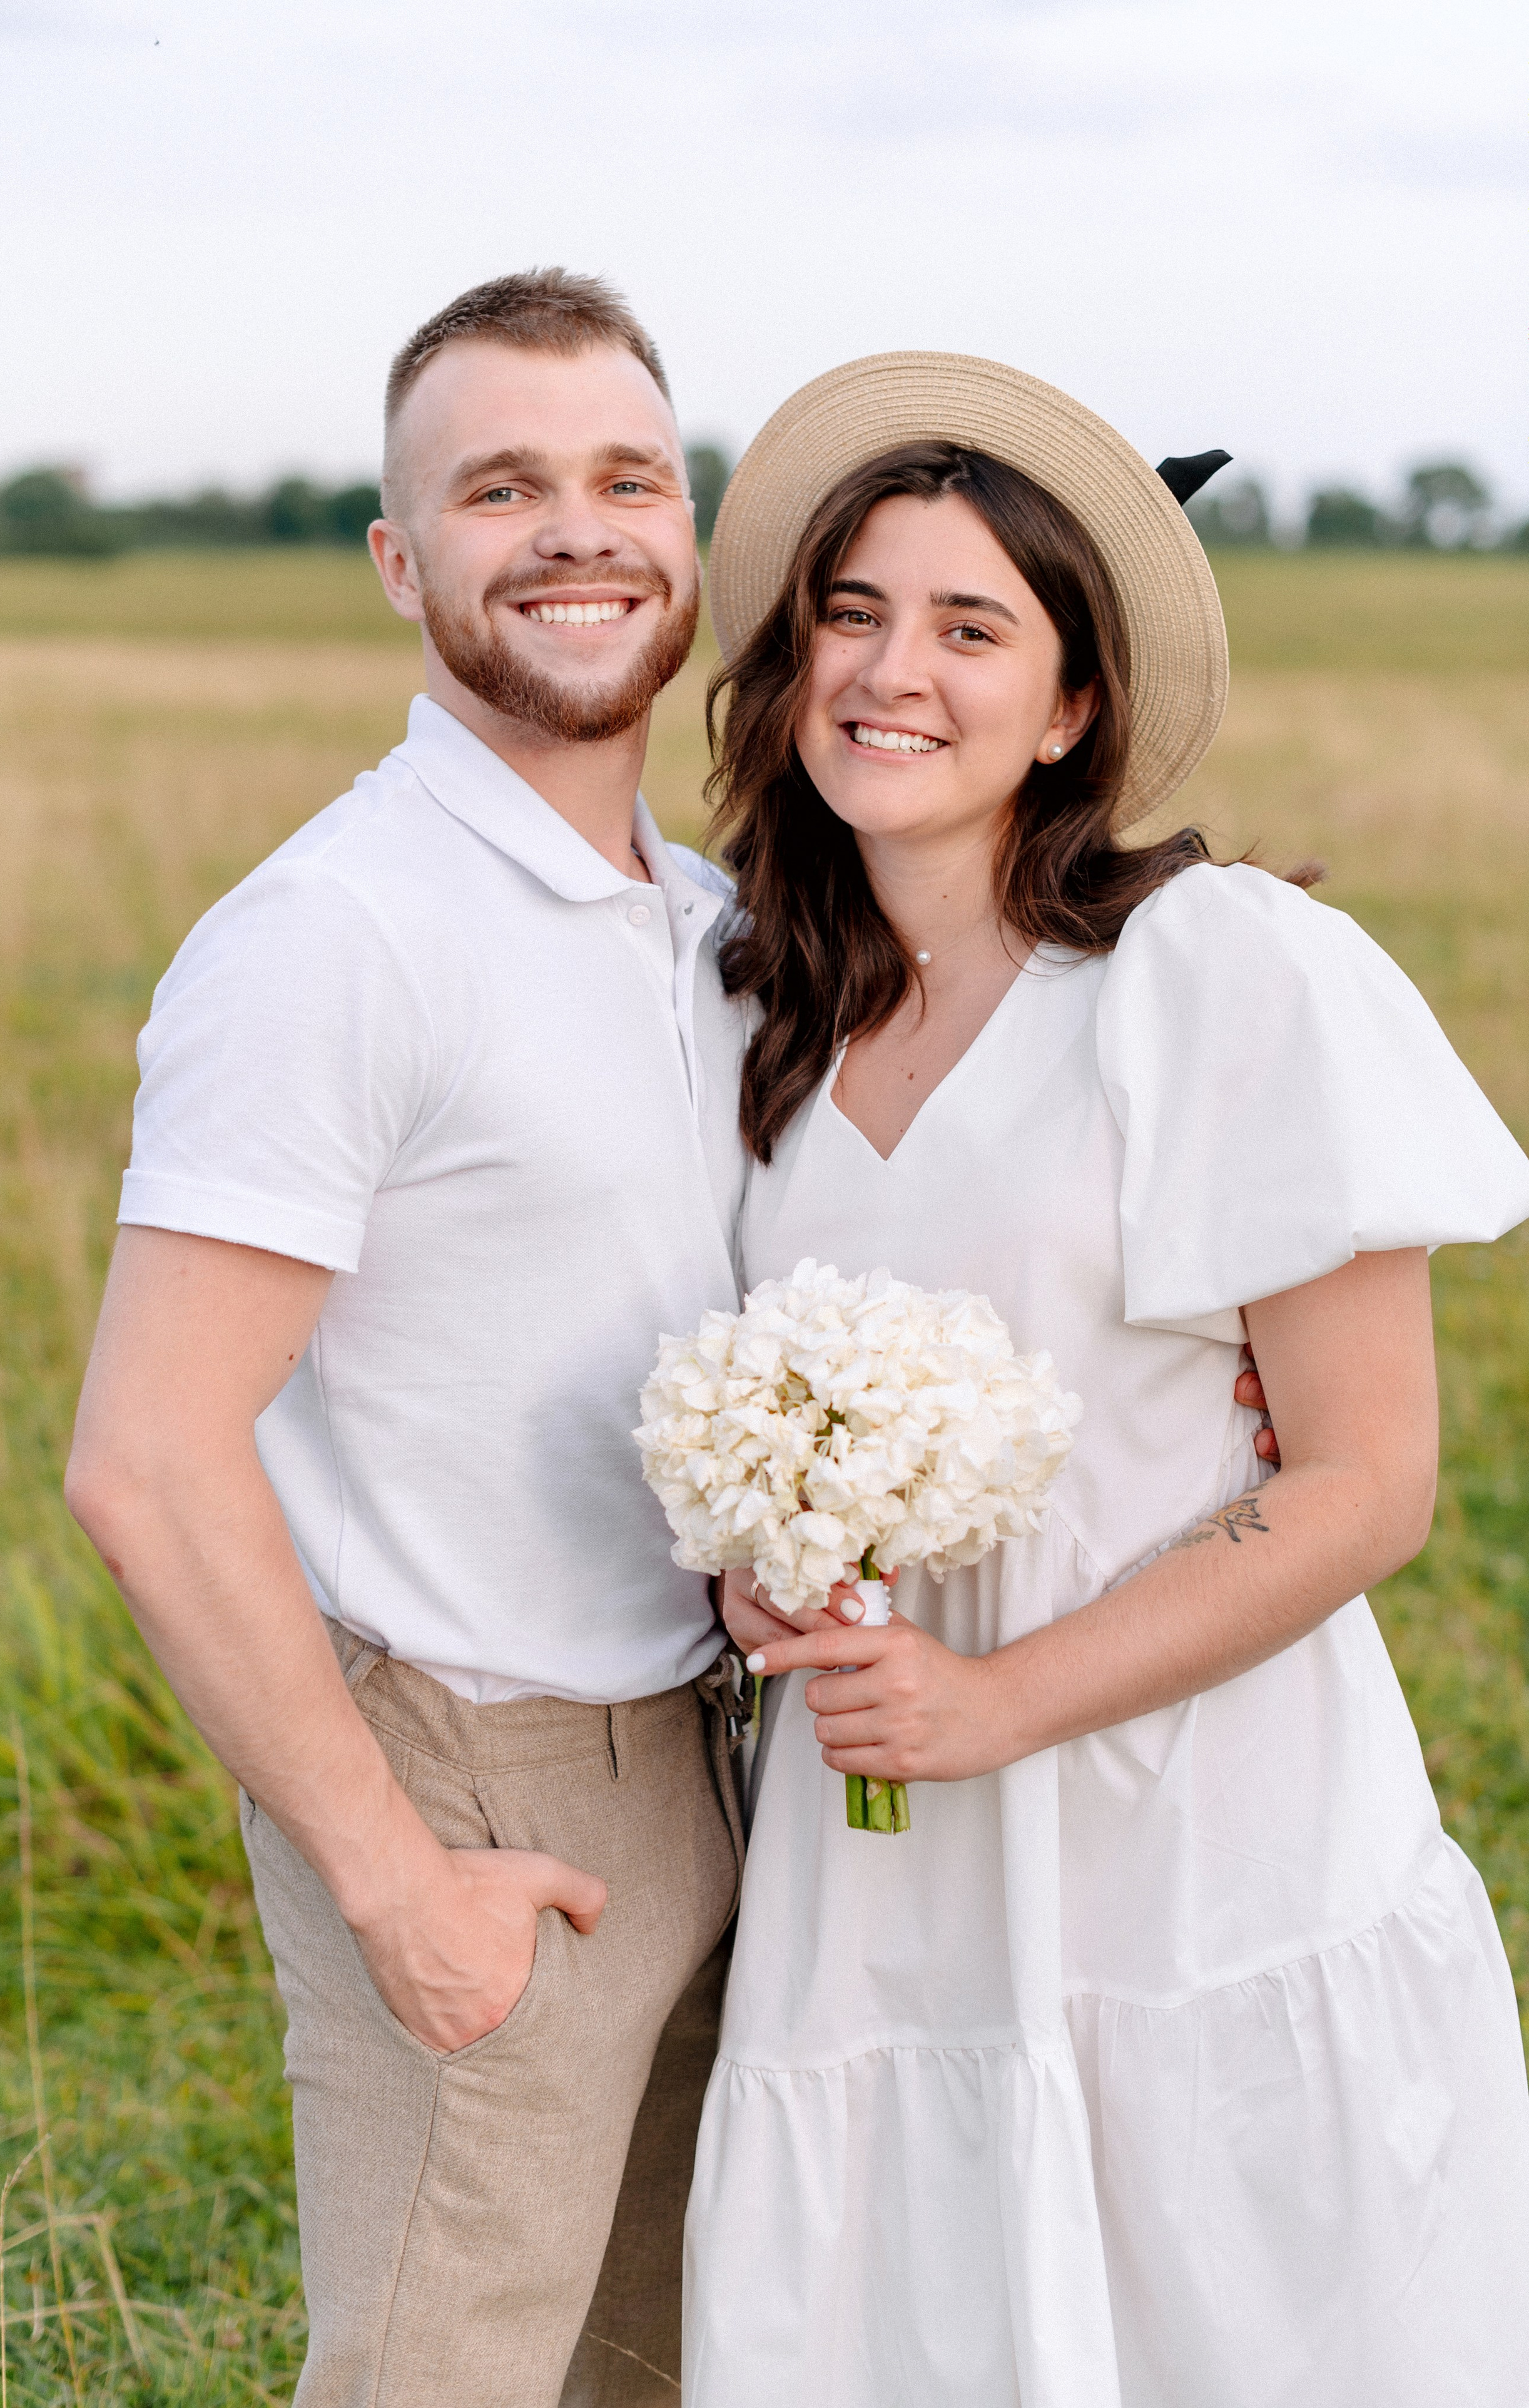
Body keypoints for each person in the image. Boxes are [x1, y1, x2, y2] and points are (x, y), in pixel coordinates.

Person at [681, 354, 1529, 2407]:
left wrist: (1000, 1701)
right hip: (881, 1863)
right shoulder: (753, 1014)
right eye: (852, 616)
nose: (896, 672)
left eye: (974, 628)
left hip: (1188, 1822)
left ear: (1072, 707)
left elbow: (1364, 1483)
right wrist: (759, 1567)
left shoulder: (1215, 972)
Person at [65, 268, 753, 2408]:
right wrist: (393, 1876)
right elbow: (149, 1458)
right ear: (401, 559)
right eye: (502, 487)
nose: (578, 528)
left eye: (626, 476)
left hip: (714, 1750)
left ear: (692, 538)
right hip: (473, 1777)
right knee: (436, 2380)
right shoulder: (332, 939)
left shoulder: (711, 916)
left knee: (656, 2363)